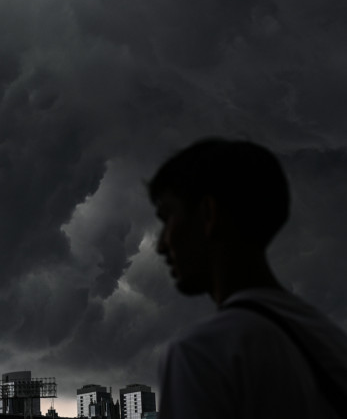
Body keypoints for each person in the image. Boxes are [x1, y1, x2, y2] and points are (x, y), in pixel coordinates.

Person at [148, 138, 347, 418]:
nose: (161, 244)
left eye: (167, 218)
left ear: (208, 214)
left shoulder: (202, 352)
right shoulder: (329, 340)